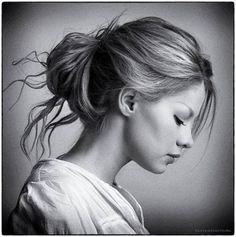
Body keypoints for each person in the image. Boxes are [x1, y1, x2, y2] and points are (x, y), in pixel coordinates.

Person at [7, 16, 216, 234]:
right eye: (180, 119)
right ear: (130, 102)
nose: (187, 141)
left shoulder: (93, 197)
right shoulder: (60, 204)